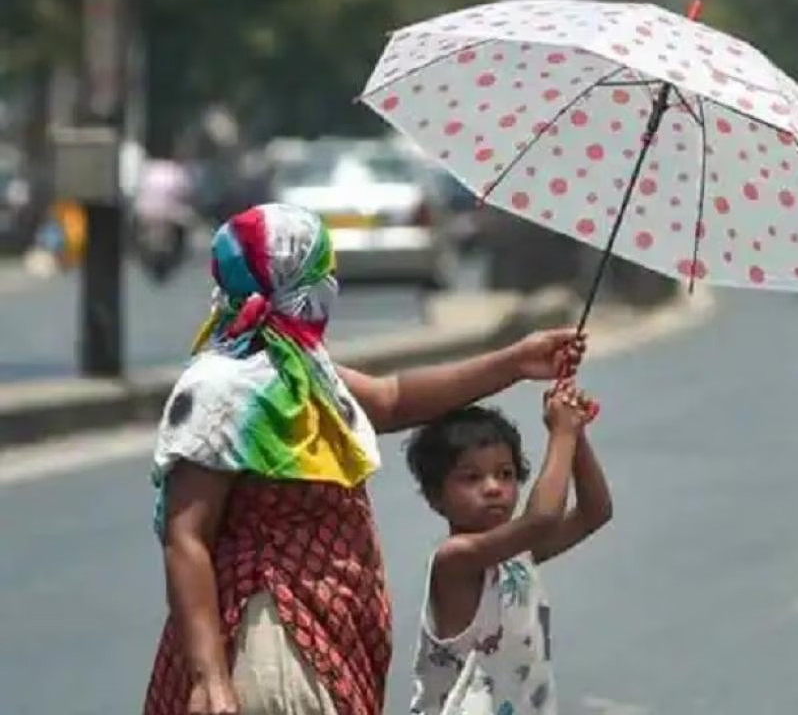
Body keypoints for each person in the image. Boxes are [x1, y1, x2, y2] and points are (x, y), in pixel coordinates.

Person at [143, 202, 587, 715]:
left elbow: (393, 399)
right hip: (269, 636)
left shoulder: (304, 369)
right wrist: (211, 679)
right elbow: (187, 537)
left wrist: (515, 362)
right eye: (321, 271)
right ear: (289, 276)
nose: (331, 282)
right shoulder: (222, 386)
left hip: (328, 635)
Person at [405, 385, 612, 715]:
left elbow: (595, 511)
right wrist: (562, 432)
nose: (493, 488)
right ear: (435, 497)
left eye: (505, 474)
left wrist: (577, 434)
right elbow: (542, 518)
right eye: (471, 478)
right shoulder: (455, 559)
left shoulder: (517, 554)